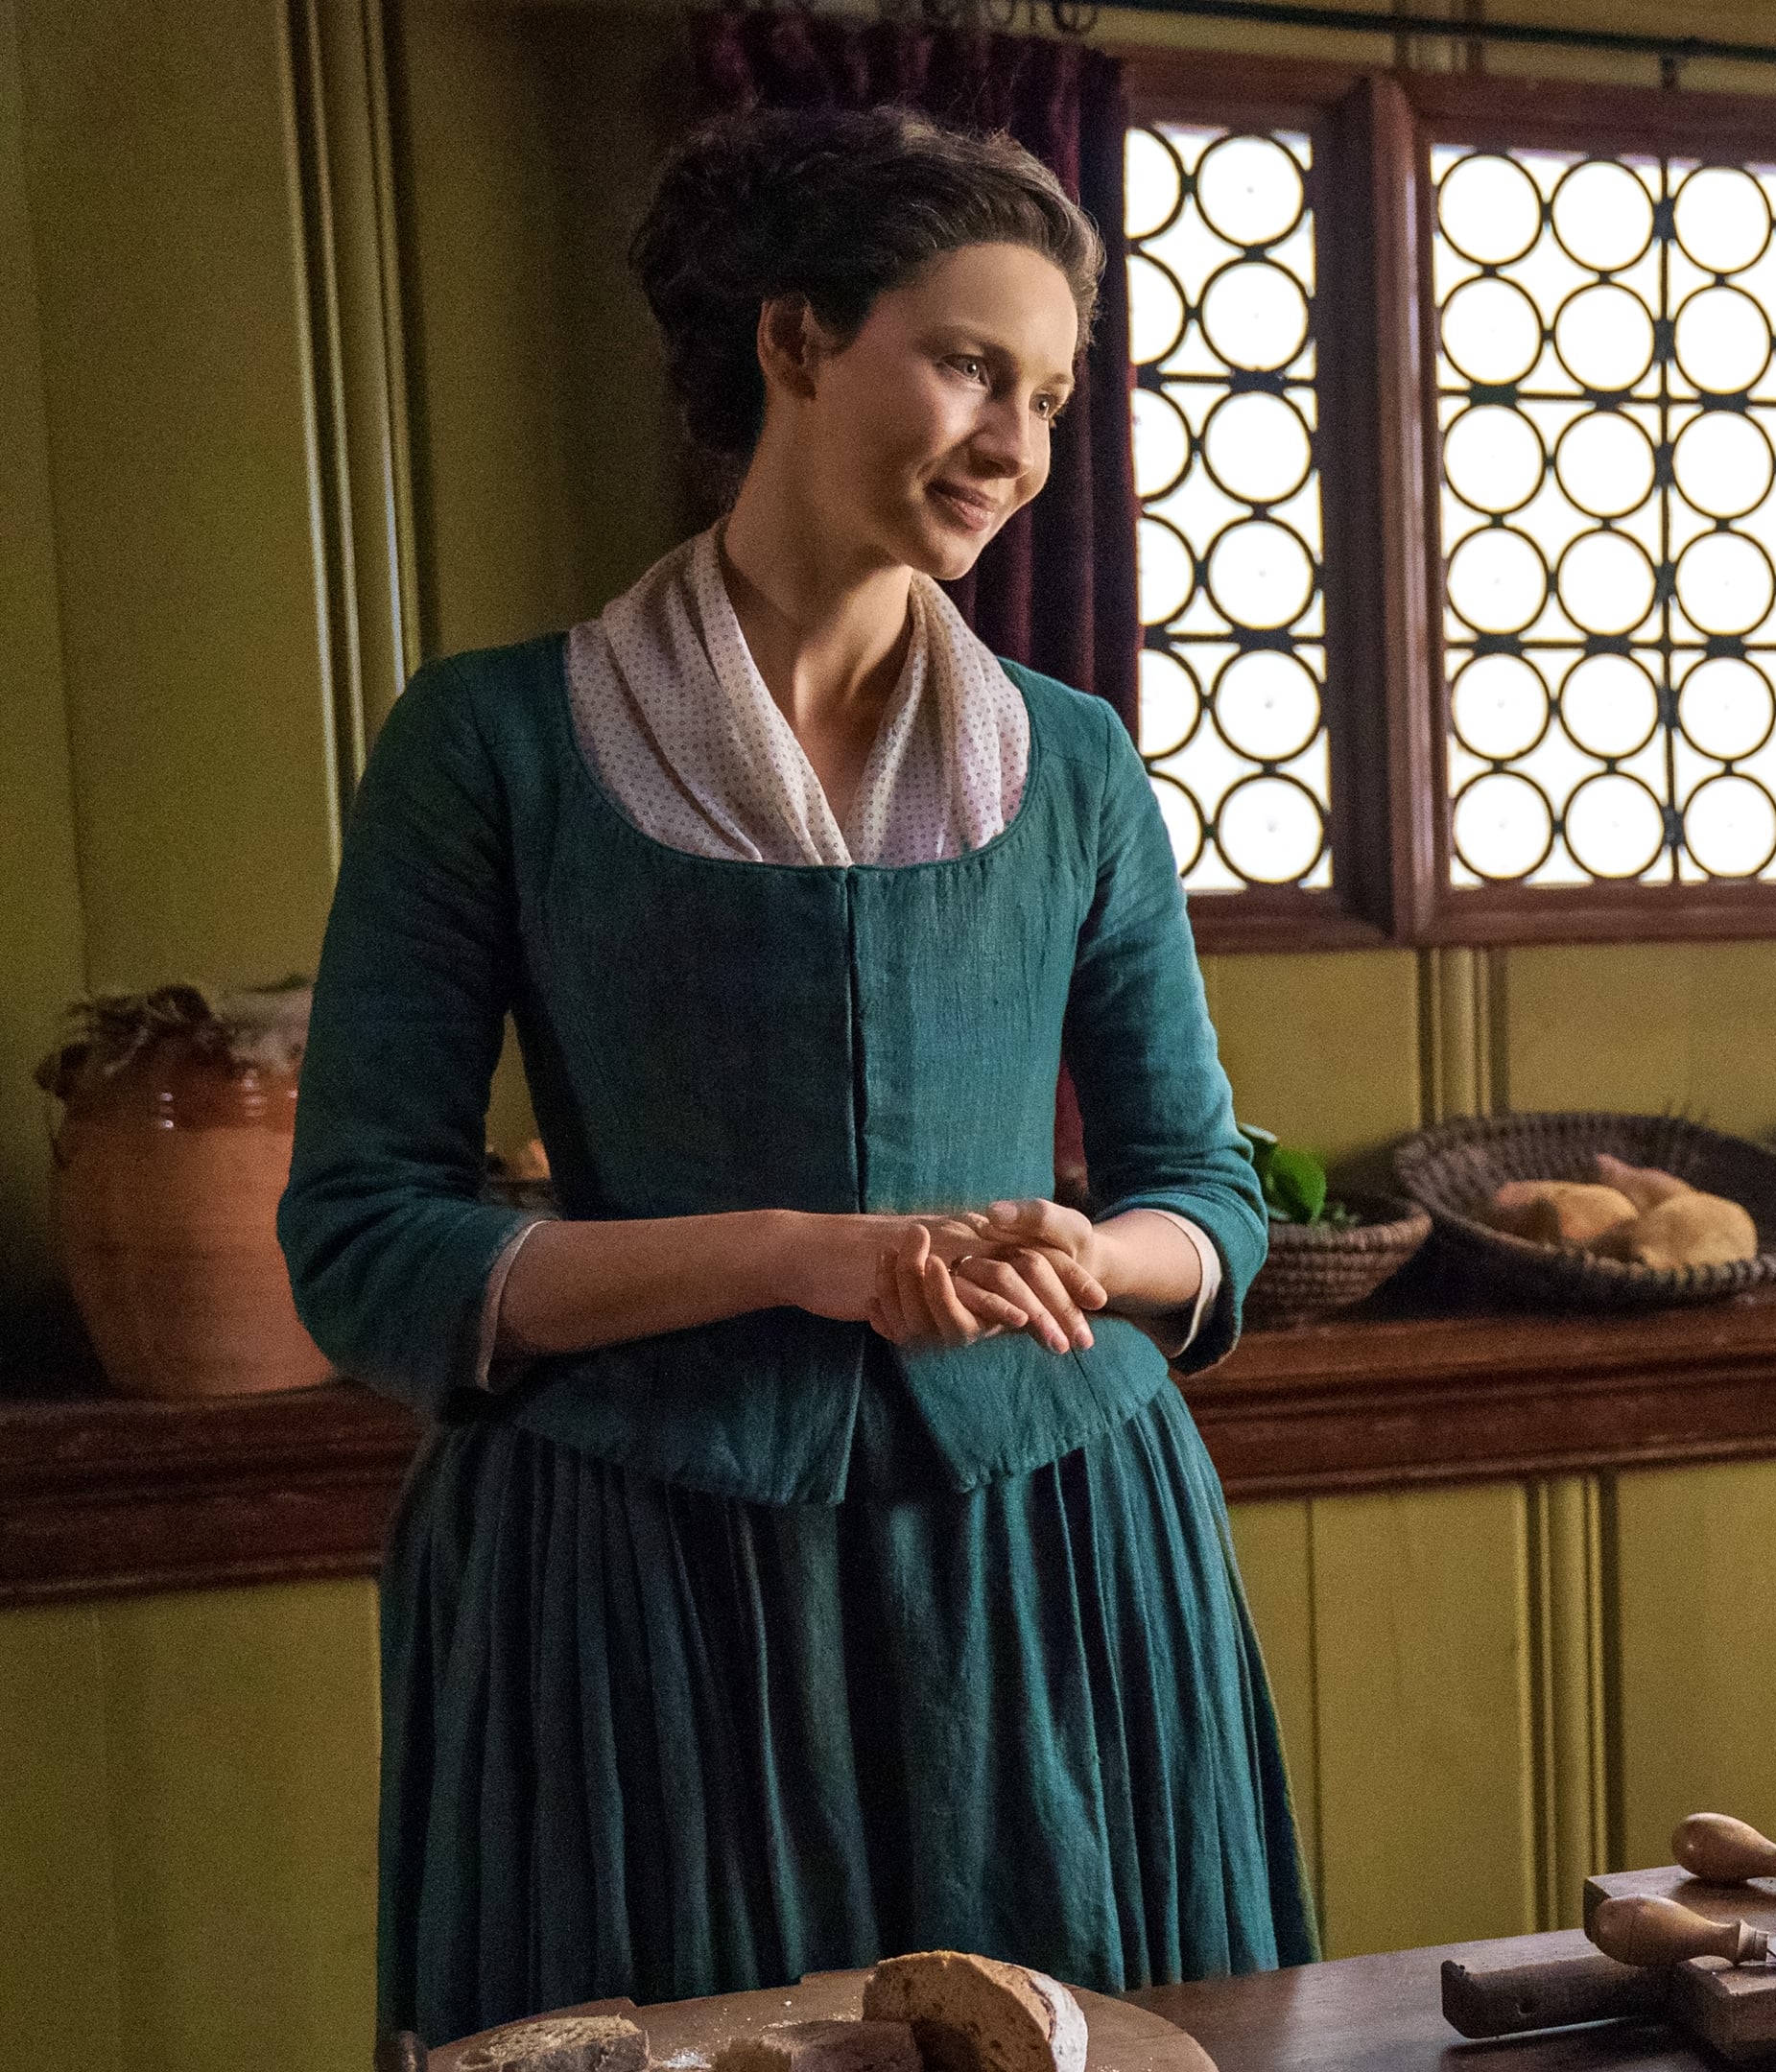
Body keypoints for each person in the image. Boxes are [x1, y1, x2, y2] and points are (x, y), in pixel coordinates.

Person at [280, 106, 1313, 2045]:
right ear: (793, 341)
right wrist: (795, 1255)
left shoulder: (1078, 764)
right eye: (970, 365)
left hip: (1051, 1562)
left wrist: (1088, 1261)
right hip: (633, 1589)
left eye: (1050, 397)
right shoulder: (490, 746)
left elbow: (1208, 1198)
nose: (1018, 444)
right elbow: (362, 1241)